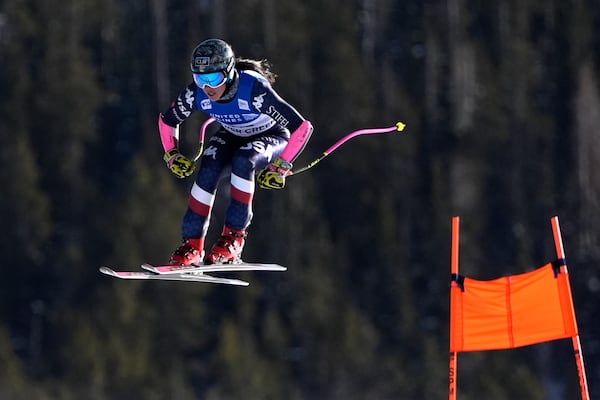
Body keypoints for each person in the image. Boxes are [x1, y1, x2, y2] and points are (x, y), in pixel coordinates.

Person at [158, 38, 313, 266]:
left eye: (213, 78)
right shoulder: (196, 94)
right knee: (208, 168)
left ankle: (233, 240)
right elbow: (168, 120)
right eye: (200, 78)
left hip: (271, 135)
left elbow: (301, 127)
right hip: (233, 133)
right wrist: (172, 154)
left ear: (229, 74)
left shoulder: (254, 91)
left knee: (245, 159)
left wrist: (281, 165)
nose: (207, 87)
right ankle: (192, 245)